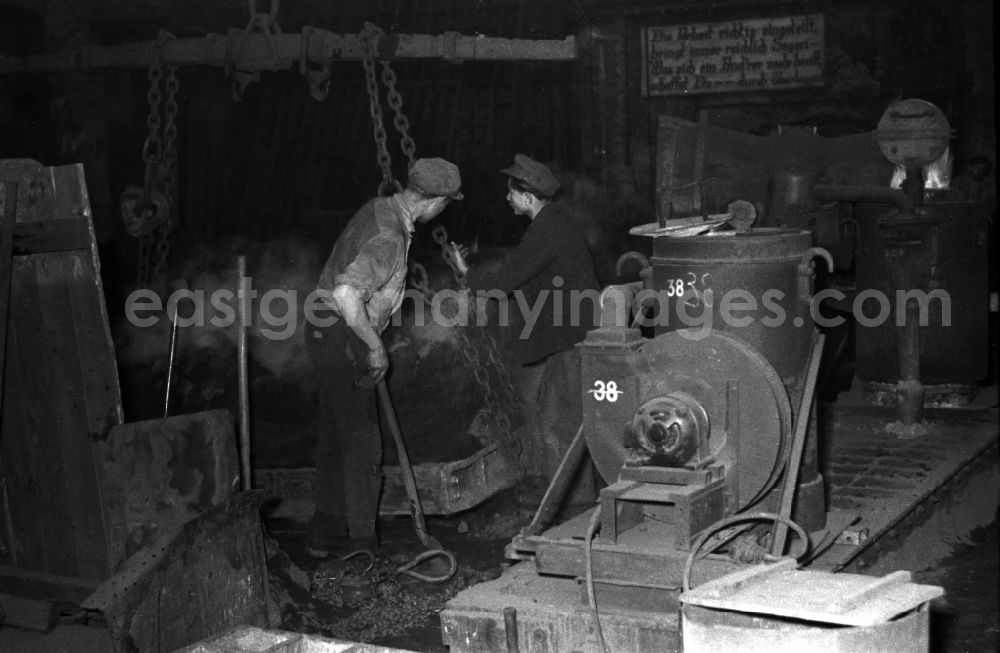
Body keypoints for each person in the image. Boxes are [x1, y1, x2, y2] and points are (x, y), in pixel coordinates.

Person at [307, 157, 463, 558]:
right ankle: (362, 547)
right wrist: (374, 346)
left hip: (324, 329)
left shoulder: (379, 208)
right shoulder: (389, 236)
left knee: (336, 436)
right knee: (363, 443)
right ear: (435, 201)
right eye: (446, 203)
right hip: (343, 333)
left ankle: (324, 534)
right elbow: (346, 294)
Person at [455, 153, 600, 506]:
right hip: (577, 332)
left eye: (511, 193)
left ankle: (574, 508)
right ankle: (580, 499)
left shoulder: (544, 230)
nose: (507, 199)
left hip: (571, 337)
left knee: (556, 421)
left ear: (528, 197)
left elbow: (505, 282)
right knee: (570, 419)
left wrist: (465, 272)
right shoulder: (558, 221)